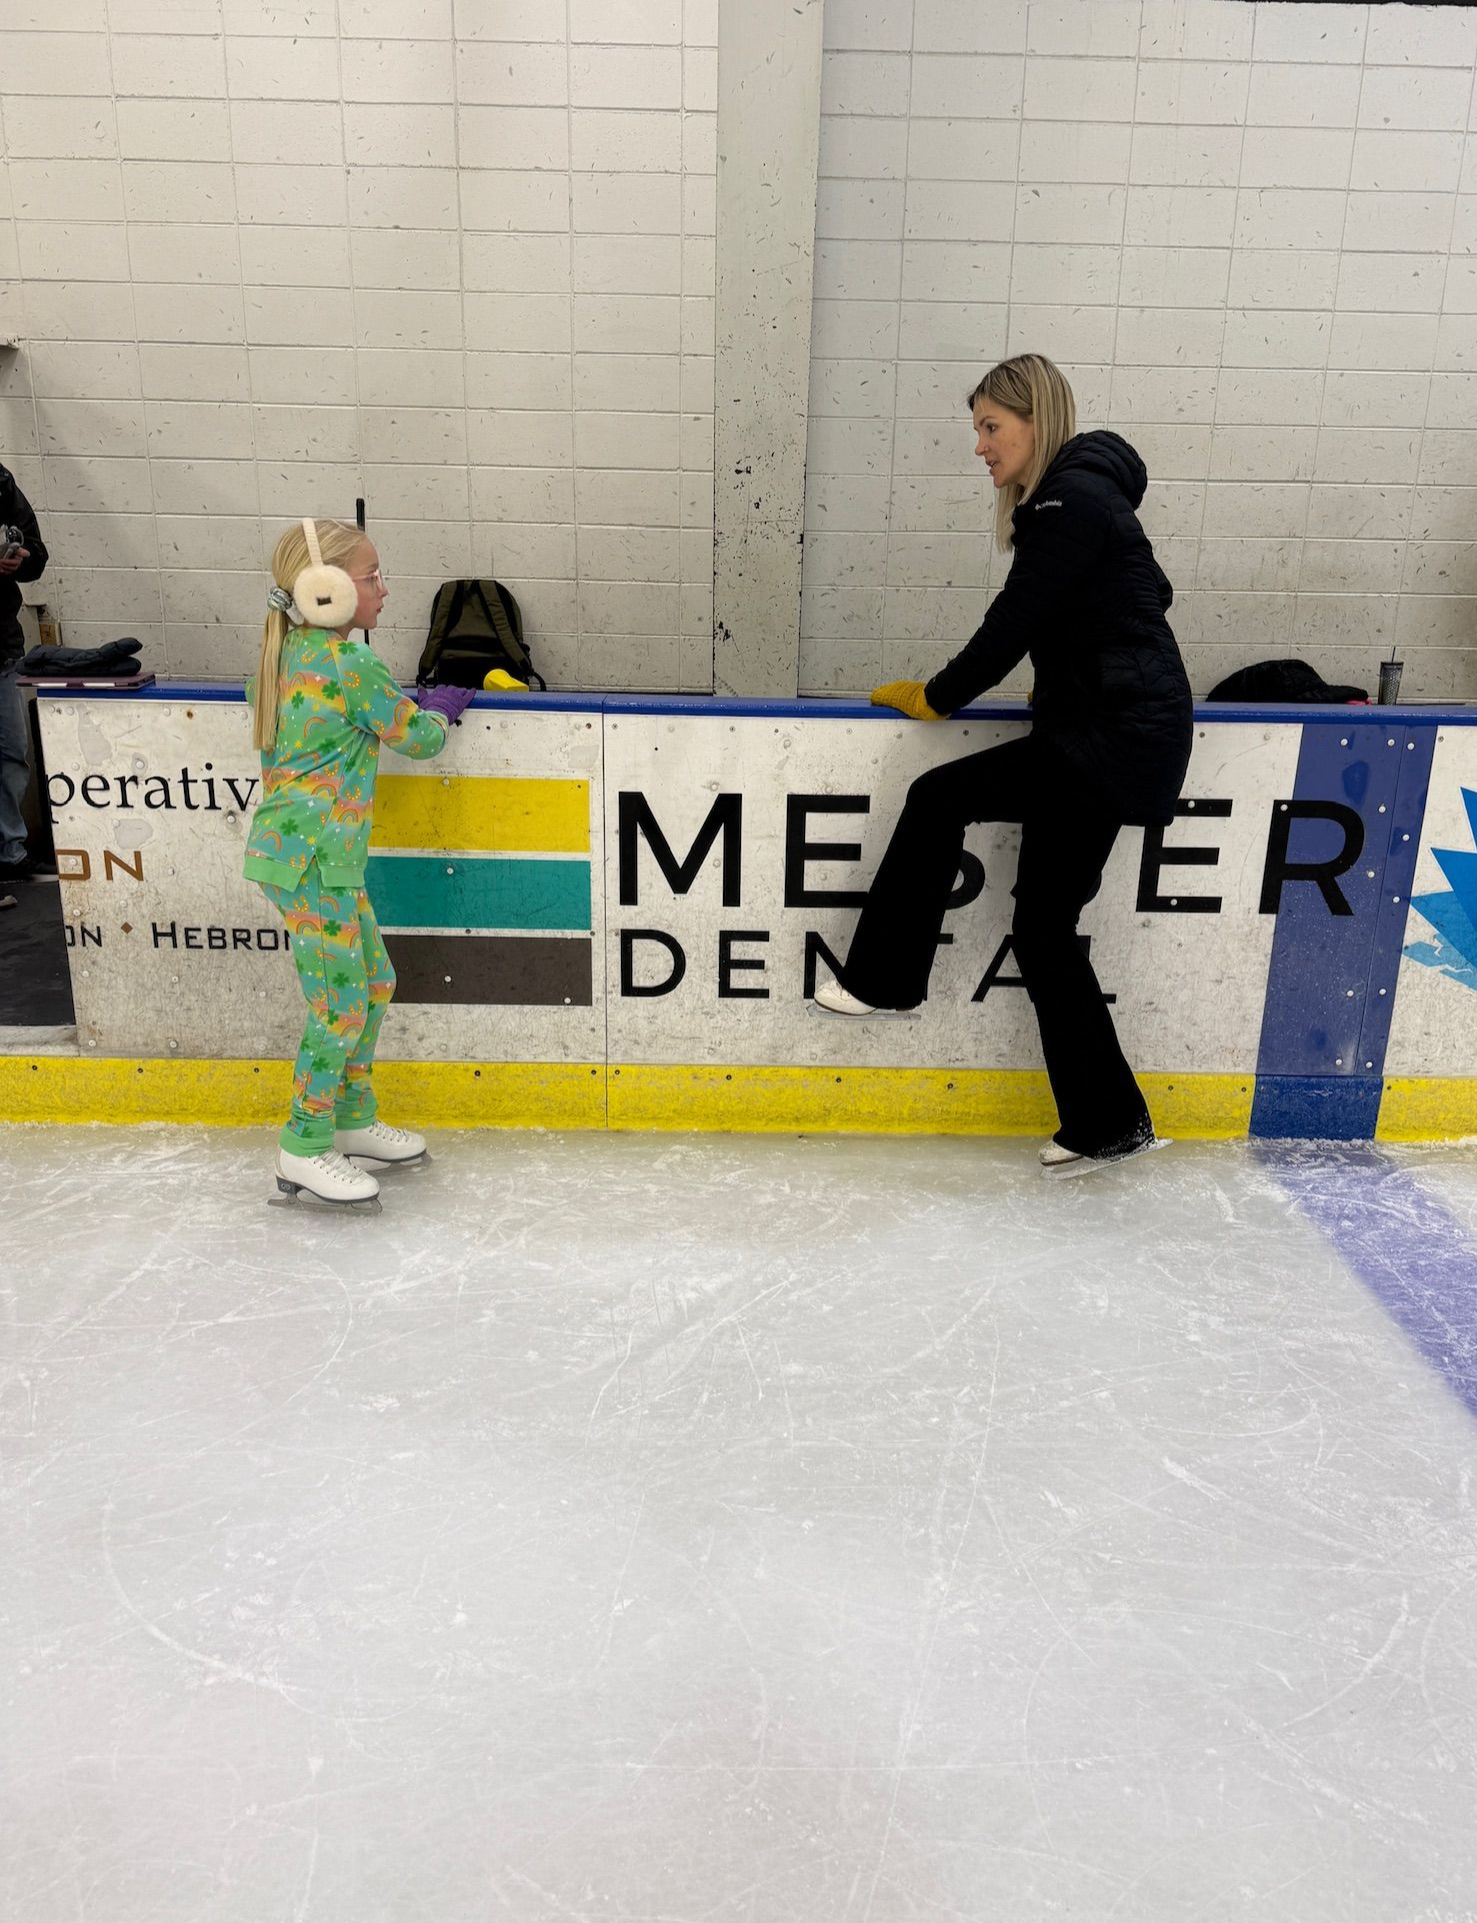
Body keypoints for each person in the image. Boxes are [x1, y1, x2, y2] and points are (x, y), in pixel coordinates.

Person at [814, 353, 1193, 1174]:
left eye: (991, 427)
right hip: (1118, 736)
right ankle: (1107, 1122)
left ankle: (882, 980)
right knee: (1042, 928)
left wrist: (938, 696)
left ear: (1035, 420)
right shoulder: (1087, 503)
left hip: (1110, 740)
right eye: (977, 428)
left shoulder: (1068, 502)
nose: (980, 447)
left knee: (936, 795)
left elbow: (1011, 622)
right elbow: (1128, 608)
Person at [245, 518, 475, 1209]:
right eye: (370, 575)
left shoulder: (285, 653)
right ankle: (305, 1144)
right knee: (340, 1005)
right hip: (311, 860)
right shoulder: (350, 665)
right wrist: (437, 706)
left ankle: (351, 1117)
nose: (382, 586)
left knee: (374, 980)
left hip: (317, 858)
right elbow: (420, 739)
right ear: (325, 589)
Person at [0, 461, 52, 886]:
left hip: (1, 646)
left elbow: (37, 551)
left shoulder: (0, 482)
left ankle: (10, 851)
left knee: (13, 753)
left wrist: (22, 557)